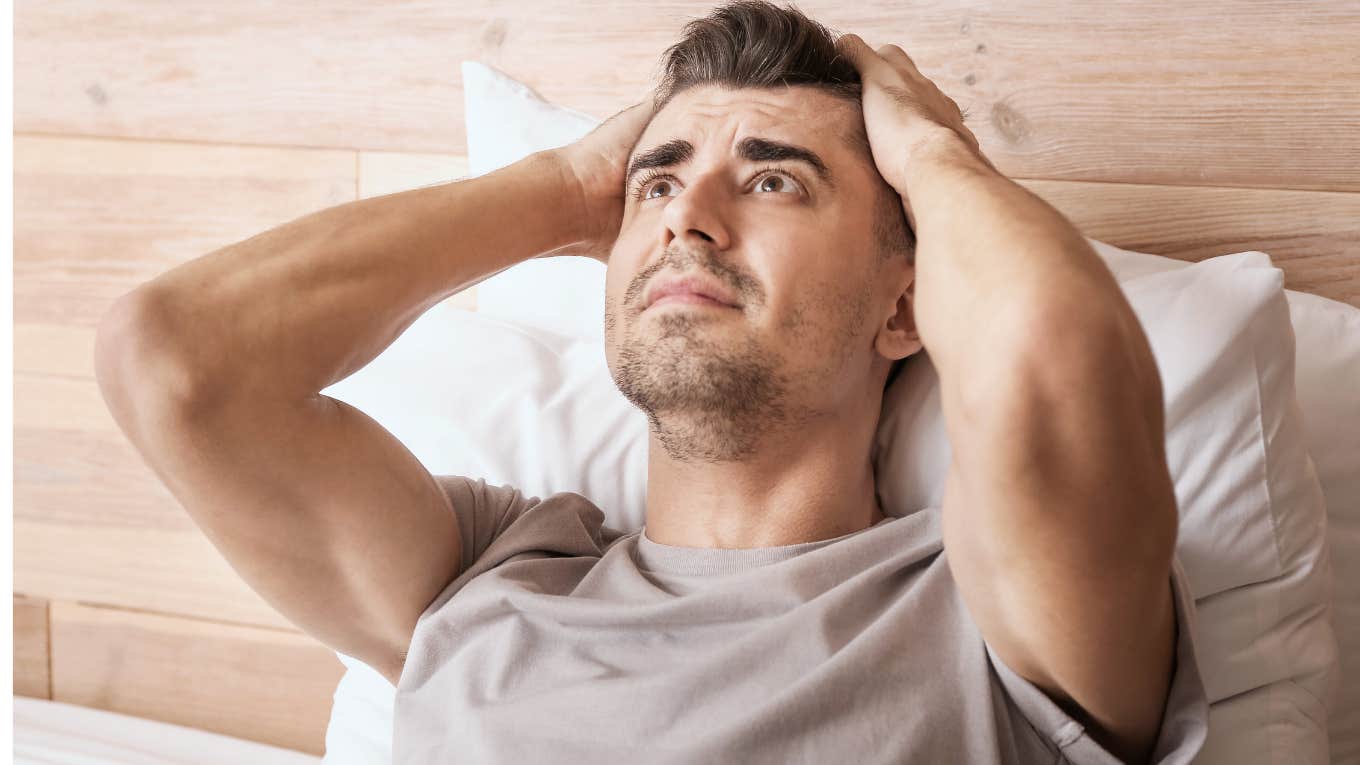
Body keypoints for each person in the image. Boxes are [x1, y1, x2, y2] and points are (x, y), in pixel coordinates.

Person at [93, 1, 1209, 762]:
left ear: (906, 305)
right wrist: (573, 184)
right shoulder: (488, 579)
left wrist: (929, 151)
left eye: (773, 180)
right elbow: (176, 361)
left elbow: (1055, 362)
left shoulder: (989, 615)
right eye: (656, 186)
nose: (685, 215)